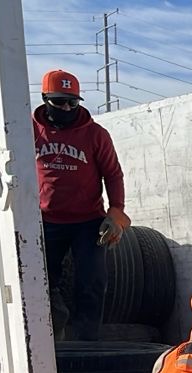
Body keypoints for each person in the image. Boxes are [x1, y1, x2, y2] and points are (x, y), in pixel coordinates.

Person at [33, 69, 128, 341]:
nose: (66, 108)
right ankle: (49, 336)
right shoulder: (28, 130)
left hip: (88, 222)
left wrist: (116, 211)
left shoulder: (96, 135)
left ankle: (87, 342)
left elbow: (113, 174)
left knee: (92, 282)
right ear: (45, 99)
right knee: (41, 279)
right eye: (59, 102)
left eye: (72, 103)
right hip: (46, 219)